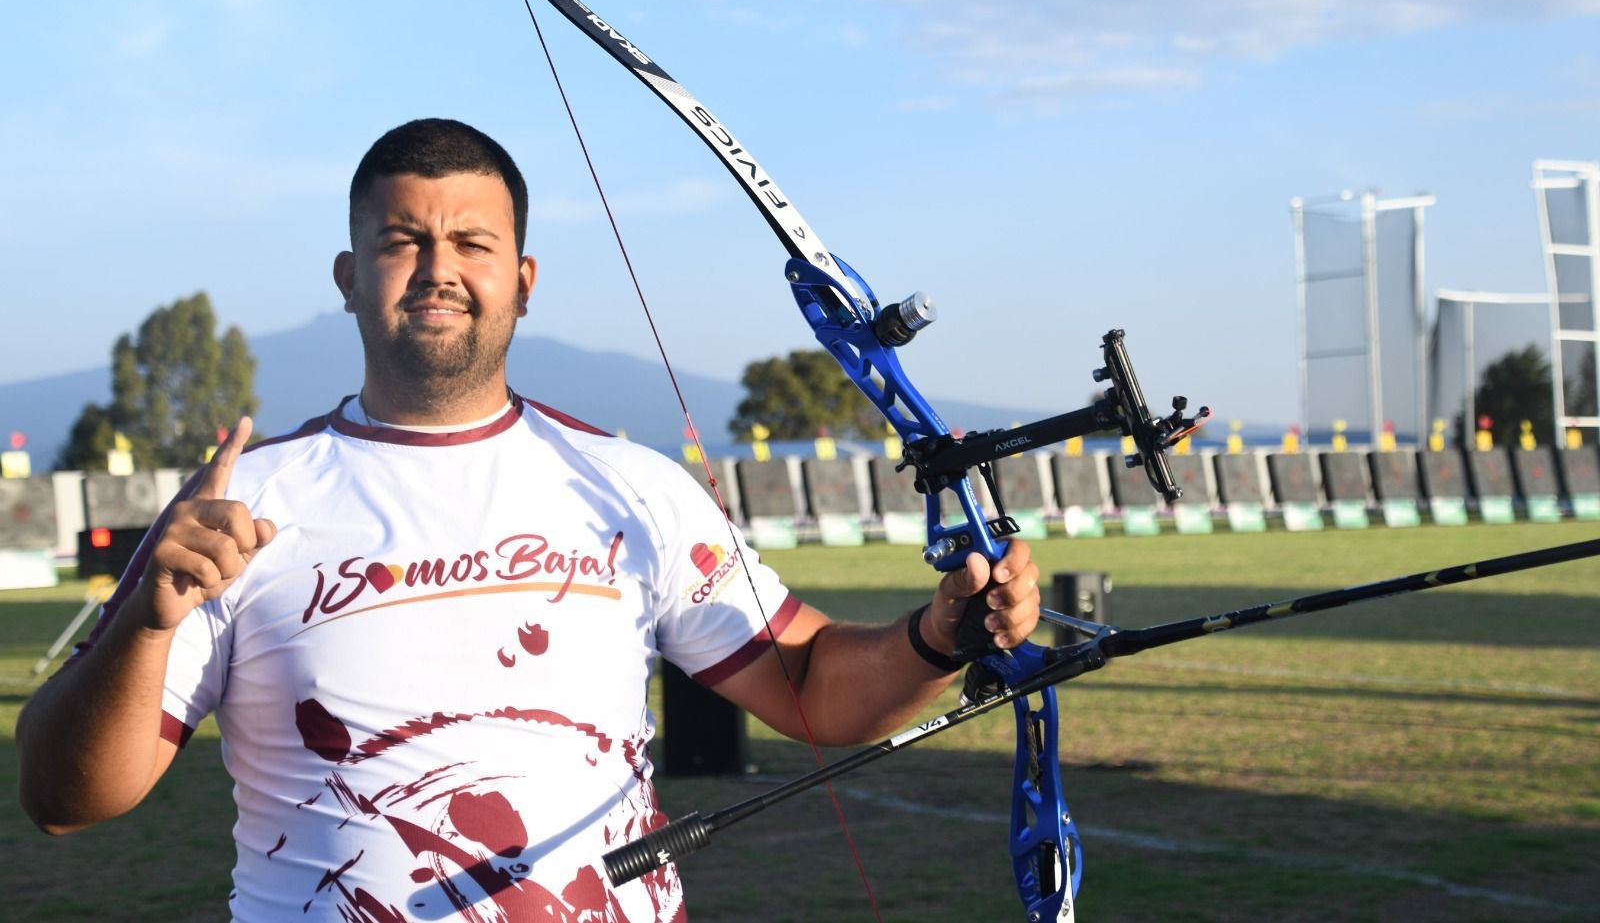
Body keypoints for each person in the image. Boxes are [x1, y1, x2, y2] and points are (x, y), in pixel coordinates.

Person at [17, 118, 1042, 922]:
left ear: (523, 278)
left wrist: (938, 632)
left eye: (472, 241)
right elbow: (67, 799)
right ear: (348, 277)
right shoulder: (242, 506)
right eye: (400, 241)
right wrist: (145, 630)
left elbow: (811, 686)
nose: (437, 268)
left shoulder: (630, 485)